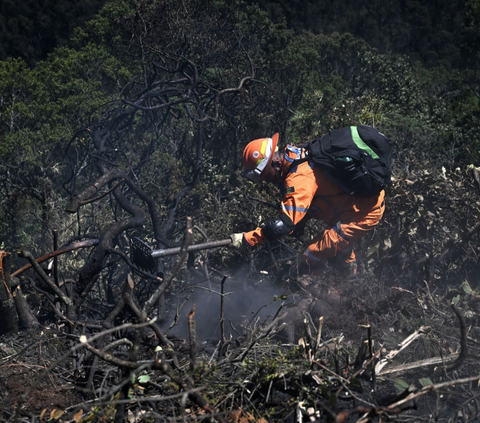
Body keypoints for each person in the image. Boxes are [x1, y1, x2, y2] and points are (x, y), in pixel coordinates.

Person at [230, 132, 386, 275]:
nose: (267, 180)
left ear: (276, 163)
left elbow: (283, 225)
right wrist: (301, 223)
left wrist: (249, 239)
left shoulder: (298, 177)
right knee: (340, 251)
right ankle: (351, 283)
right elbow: (309, 200)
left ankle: (316, 289)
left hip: (363, 213)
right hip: (348, 210)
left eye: (267, 175)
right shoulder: (296, 157)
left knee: (311, 254)